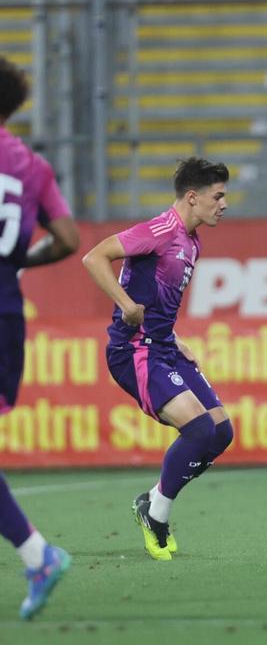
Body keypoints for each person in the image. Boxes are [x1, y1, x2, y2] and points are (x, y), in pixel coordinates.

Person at [82, 157, 234, 561]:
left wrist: (175, 336)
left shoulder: (193, 240)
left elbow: (160, 299)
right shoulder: (160, 230)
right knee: (200, 430)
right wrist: (126, 305)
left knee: (221, 432)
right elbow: (94, 257)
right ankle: (157, 514)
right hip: (134, 350)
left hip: (164, 345)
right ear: (192, 197)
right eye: (217, 196)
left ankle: (151, 500)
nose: (223, 204)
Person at [0, 55, 78, 618]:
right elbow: (69, 237)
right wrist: (18, 261)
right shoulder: (33, 167)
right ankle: (37, 555)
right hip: (6, 313)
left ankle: (38, 554)